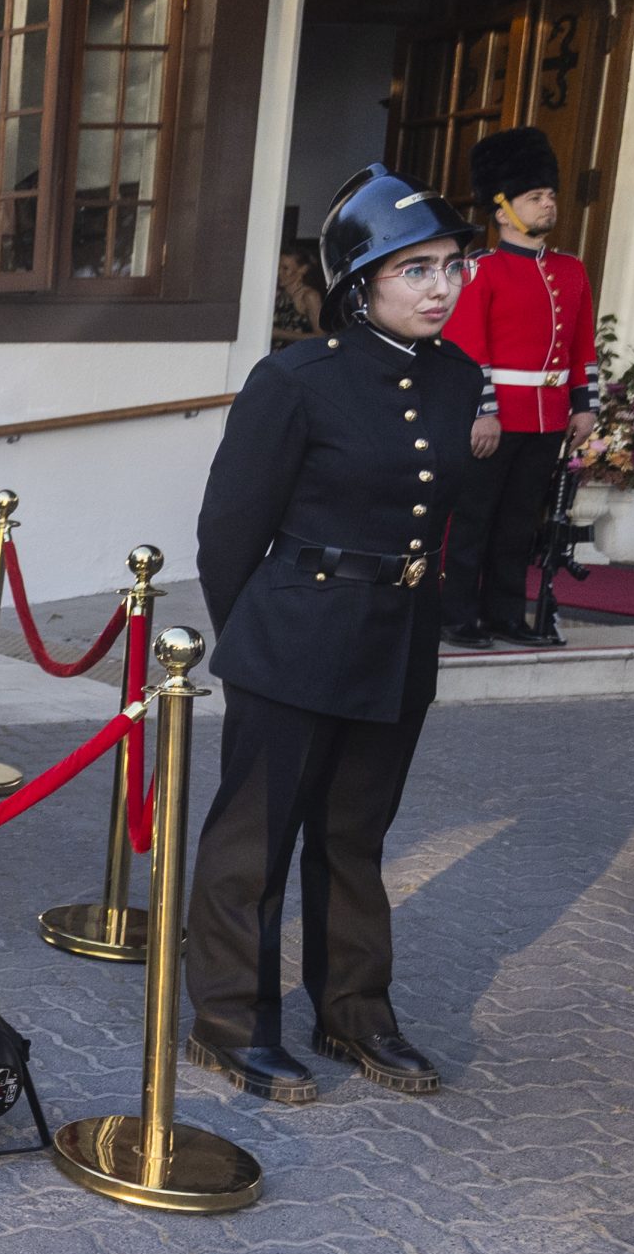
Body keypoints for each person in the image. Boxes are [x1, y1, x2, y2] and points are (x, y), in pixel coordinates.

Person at [182, 163, 482, 1105]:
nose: (441, 287)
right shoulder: (294, 379)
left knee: (355, 838)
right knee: (255, 844)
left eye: (452, 266)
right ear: (361, 284)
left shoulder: (457, 378)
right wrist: (255, 644)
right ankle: (231, 1021)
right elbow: (229, 533)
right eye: (416, 270)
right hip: (296, 638)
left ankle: (354, 1011)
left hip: (396, 641)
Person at [439, 126, 601, 649]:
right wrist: (482, 413)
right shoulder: (480, 270)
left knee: (518, 525)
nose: (548, 203)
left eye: (550, 194)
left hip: (548, 418)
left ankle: (504, 614)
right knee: (472, 521)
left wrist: (585, 407)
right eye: (535, 196)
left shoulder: (570, 270)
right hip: (497, 416)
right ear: (503, 209)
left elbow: (582, 347)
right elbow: (468, 351)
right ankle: (455, 615)